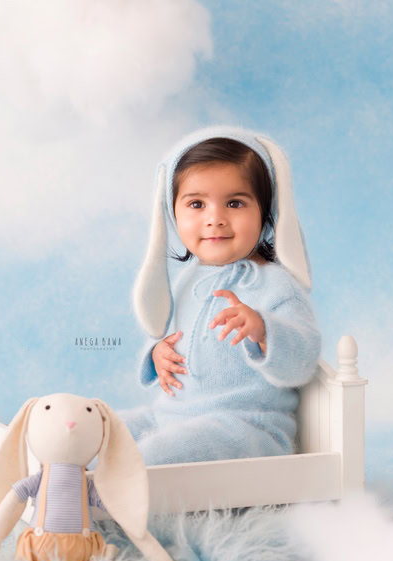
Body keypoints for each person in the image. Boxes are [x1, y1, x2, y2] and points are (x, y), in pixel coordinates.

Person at [119, 126, 321, 464]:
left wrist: (264, 329)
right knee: (105, 433)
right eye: (196, 204)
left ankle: (110, 507)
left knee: (153, 457)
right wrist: (158, 354)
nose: (215, 219)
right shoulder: (188, 280)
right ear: (173, 214)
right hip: (173, 416)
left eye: (235, 203)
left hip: (245, 428)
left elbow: (303, 361)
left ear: (265, 212)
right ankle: (64, 488)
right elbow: (176, 338)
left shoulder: (276, 285)